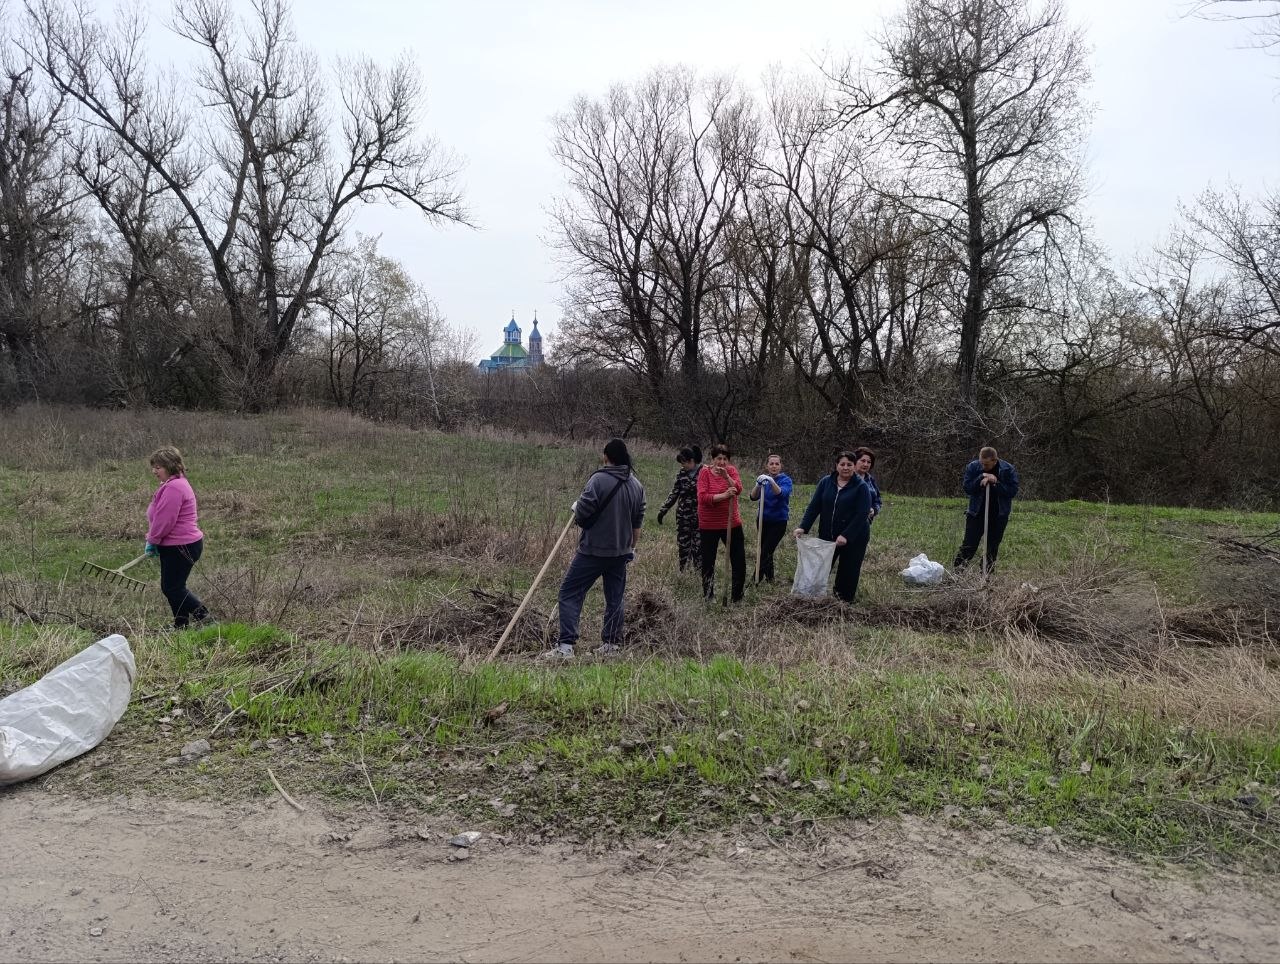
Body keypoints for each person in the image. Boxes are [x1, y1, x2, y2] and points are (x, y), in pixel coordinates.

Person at [542, 438, 646, 661]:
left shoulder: (598, 479)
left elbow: (582, 512)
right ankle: (611, 645)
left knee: (569, 592)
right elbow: (637, 522)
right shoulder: (637, 485)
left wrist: (576, 507)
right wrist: (631, 548)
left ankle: (565, 647)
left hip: (593, 551)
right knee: (615, 598)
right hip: (621, 553)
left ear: (606, 456)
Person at [145, 446, 211, 628]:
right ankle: (181, 625)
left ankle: (206, 618)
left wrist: (152, 540)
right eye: (153, 467)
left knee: (172, 588)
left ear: (170, 466)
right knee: (174, 587)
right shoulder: (173, 484)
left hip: (181, 546)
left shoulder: (174, 488)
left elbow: (165, 520)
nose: (154, 471)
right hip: (178, 545)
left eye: (158, 467)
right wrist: (155, 540)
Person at [794, 451, 873, 603]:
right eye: (842, 464)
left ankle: (843, 603)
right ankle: (812, 598)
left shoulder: (861, 487)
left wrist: (846, 535)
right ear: (836, 465)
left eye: (849, 464)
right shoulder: (825, 482)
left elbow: (862, 514)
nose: (845, 467)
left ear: (854, 466)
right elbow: (814, 506)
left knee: (848, 570)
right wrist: (803, 527)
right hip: (828, 533)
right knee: (821, 566)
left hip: (855, 536)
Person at [954, 446, 1020, 574]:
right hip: (976, 513)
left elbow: (1012, 491)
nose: (983, 466)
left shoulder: (1008, 469)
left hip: (998, 515)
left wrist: (995, 483)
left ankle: (985, 577)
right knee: (969, 545)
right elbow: (967, 488)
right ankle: (957, 574)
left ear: (994, 460)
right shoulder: (973, 467)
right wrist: (981, 477)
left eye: (986, 465)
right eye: (981, 463)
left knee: (991, 548)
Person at [697, 444, 745, 602]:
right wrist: (724, 495)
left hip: (731, 523)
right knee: (708, 561)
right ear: (713, 459)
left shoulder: (731, 471)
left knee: (738, 559)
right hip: (709, 524)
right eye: (719, 458)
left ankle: (737, 597)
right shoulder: (704, 473)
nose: (722, 462)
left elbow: (738, 489)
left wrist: (727, 477)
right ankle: (708, 595)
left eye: (725, 459)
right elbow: (703, 497)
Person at [655, 445, 703, 572]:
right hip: (683, 517)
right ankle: (683, 571)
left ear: (691, 461)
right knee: (683, 546)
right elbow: (674, 493)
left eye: (684, 463)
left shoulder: (704, 472)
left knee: (698, 548)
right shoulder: (682, 474)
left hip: (699, 518)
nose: (682, 466)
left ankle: (698, 574)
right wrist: (663, 510)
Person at [749, 453, 793, 583]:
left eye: (777, 464)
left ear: (781, 466)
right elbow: (752, 497)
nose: (774, 466)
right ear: (767, 466)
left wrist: (772, 481)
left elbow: (781, 494)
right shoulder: (763, 480)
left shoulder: (786, 480)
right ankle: (770, 579)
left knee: (765, 551)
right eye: (771, 464)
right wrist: (758, 485)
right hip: (762, 520)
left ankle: (755, 579)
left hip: (778, 522)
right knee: (766, 549)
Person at [852, 447, 882, 524]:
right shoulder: (846, 478)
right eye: (863, 461)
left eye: (869, 462)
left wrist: (874, 510)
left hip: (865, 524)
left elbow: (878, 500)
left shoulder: (870, 480)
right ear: (855, 461)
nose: (866, 464)